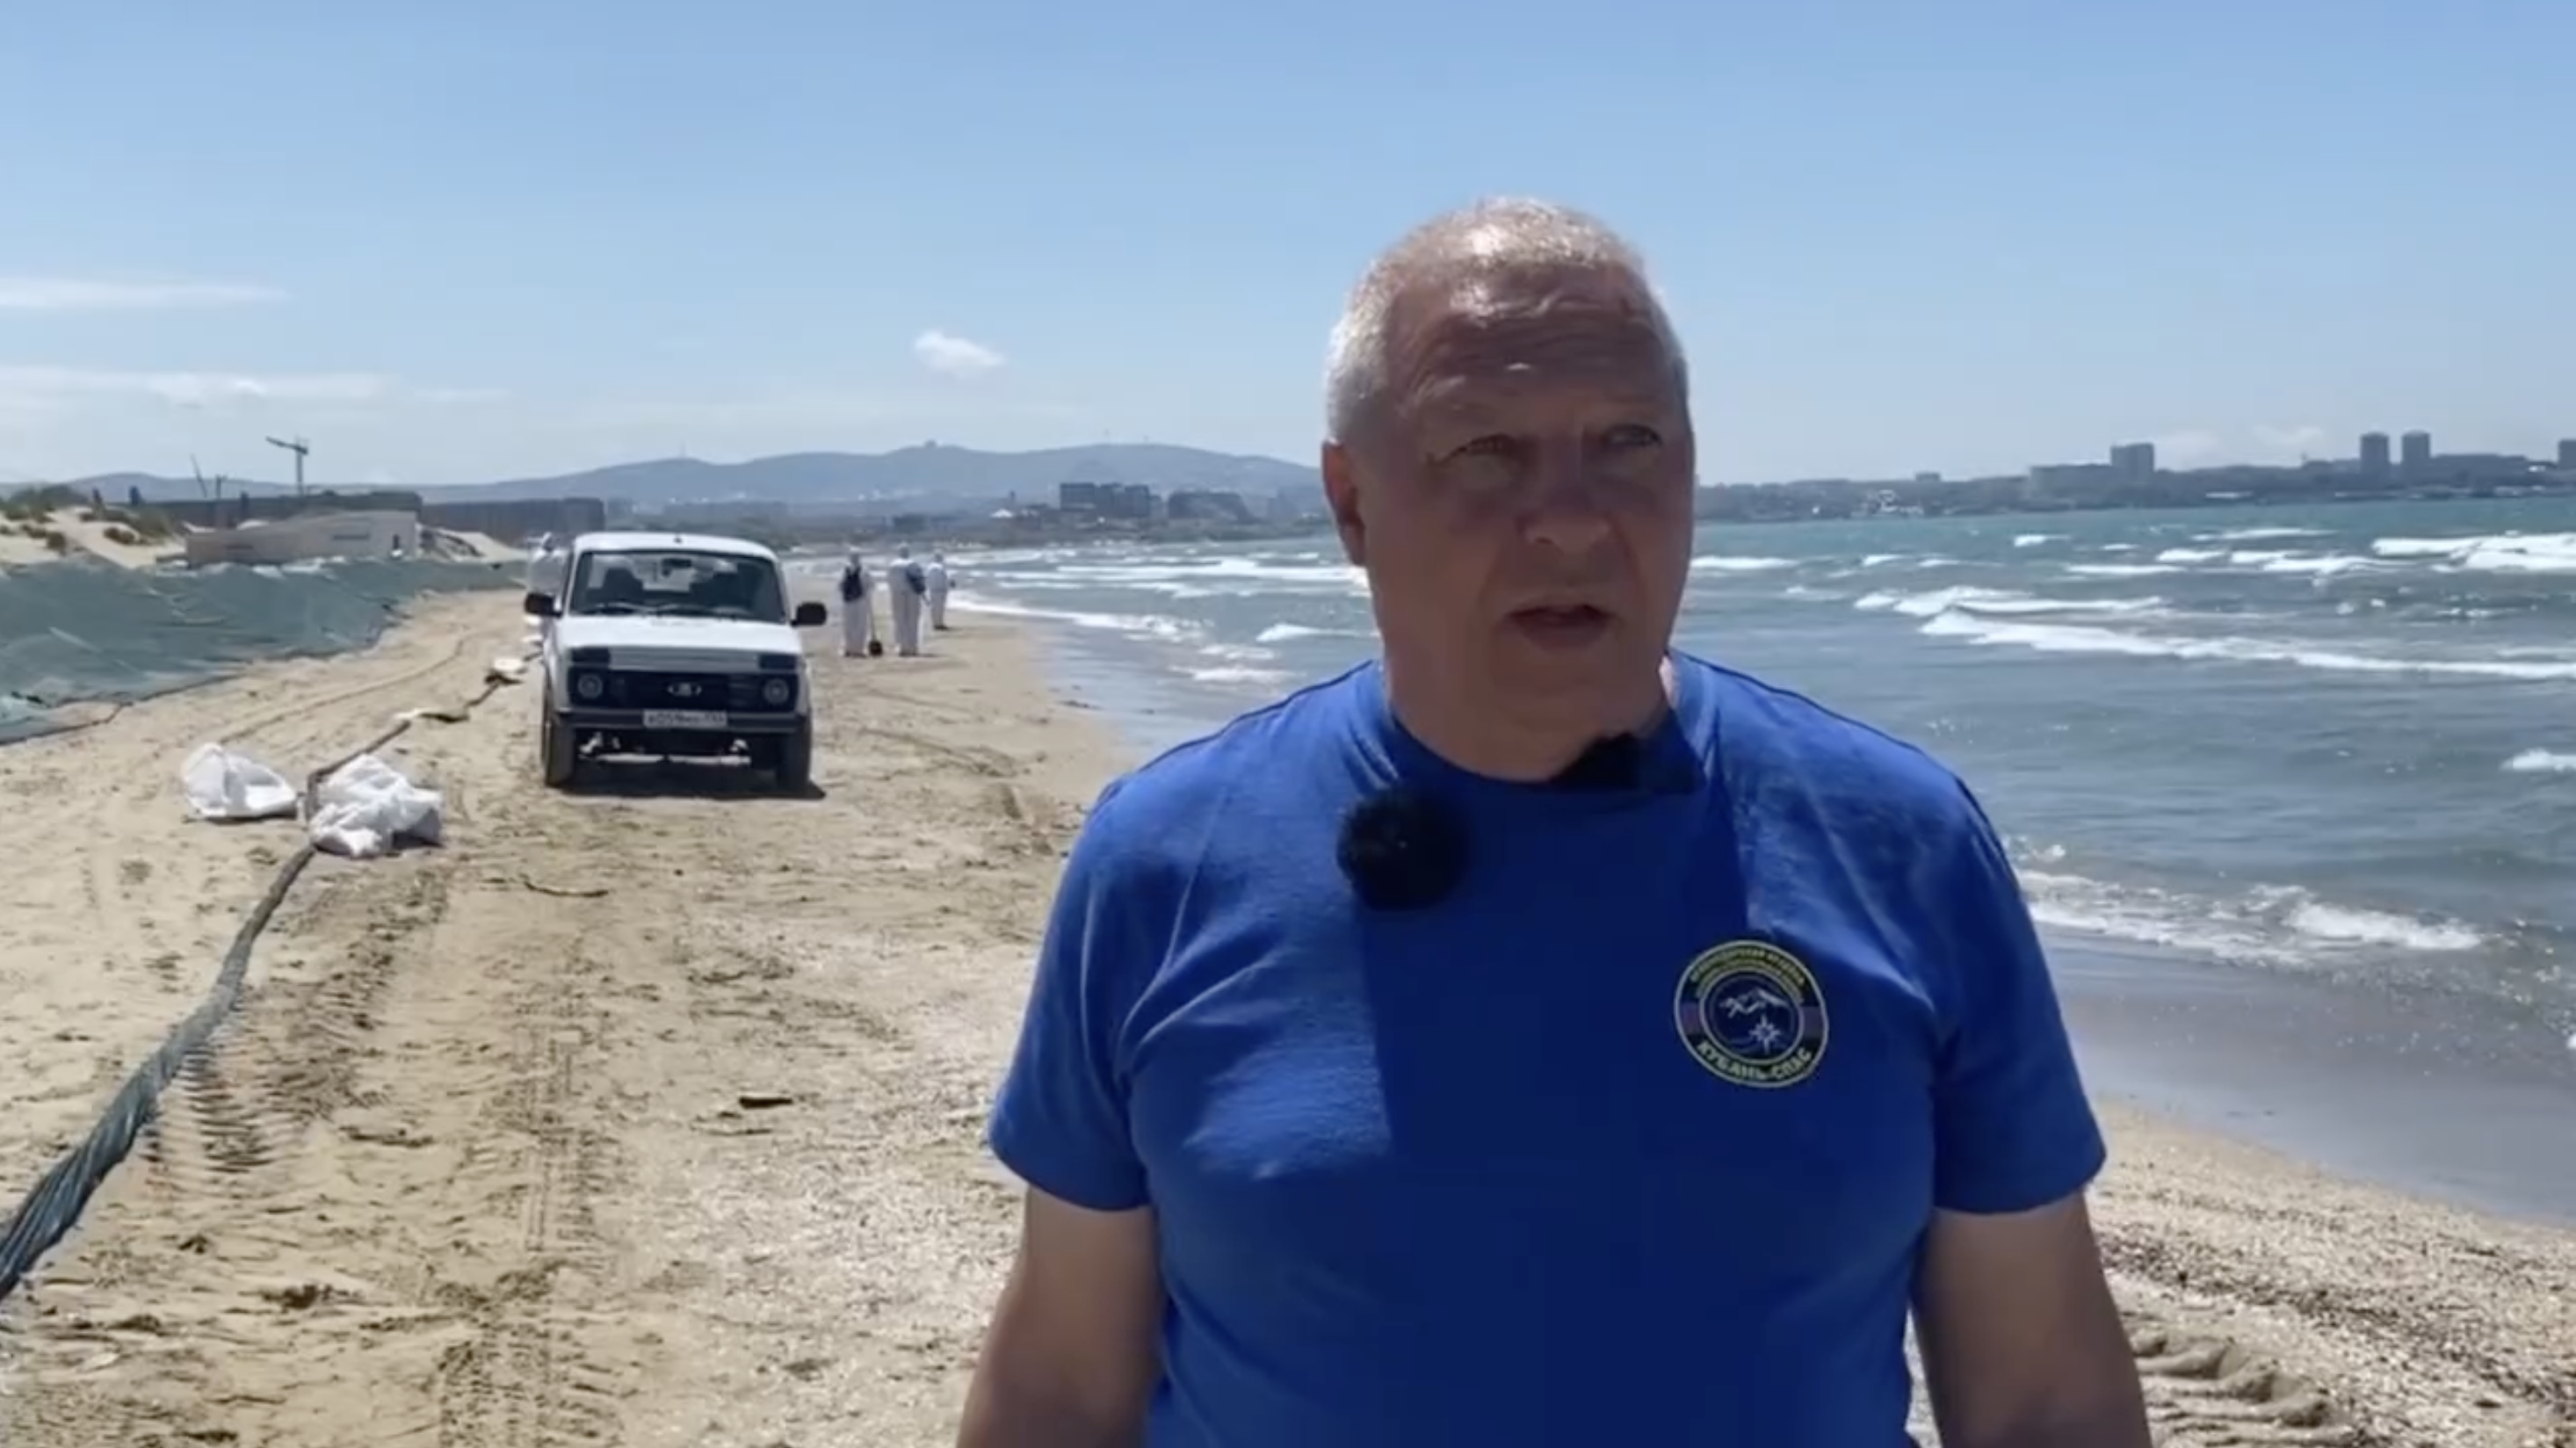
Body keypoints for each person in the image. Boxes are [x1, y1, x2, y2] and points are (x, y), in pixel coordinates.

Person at [960, 199, 2150, 1448]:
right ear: (1352, 504)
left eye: (1629, 441)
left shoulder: (1901, 846)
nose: (1574, 519)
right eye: (1485, 450)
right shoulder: (1166, 861)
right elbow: (1061, 1386)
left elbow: (2043, 1396)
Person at [888, 544, 927, 657]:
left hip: (897, 594)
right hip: (912, 595)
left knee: (899, 620)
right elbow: (920, 581)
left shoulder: (893, 565)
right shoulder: (913, 564)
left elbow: (890, 582)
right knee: (912, 621)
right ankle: (912, 647)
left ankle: (901, 646)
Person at [837, 550, 877, 657]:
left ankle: (848, 648)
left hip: (847, 602)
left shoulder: (845, 570)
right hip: (860, 601)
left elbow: (840, 586)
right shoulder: (864, 570)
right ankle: (858, 649)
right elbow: (871, 585)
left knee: (848, 626)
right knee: (860, 626)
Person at [925, 551, 954, 630]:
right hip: (941, 590)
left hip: (932, 589)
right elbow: (947, 577)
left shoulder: (930, 567)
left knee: (933, 608)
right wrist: (951, 583)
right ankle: (940, 624)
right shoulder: (941, 567)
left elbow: (927, 578)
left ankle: (934, 623)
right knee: (940, 608)